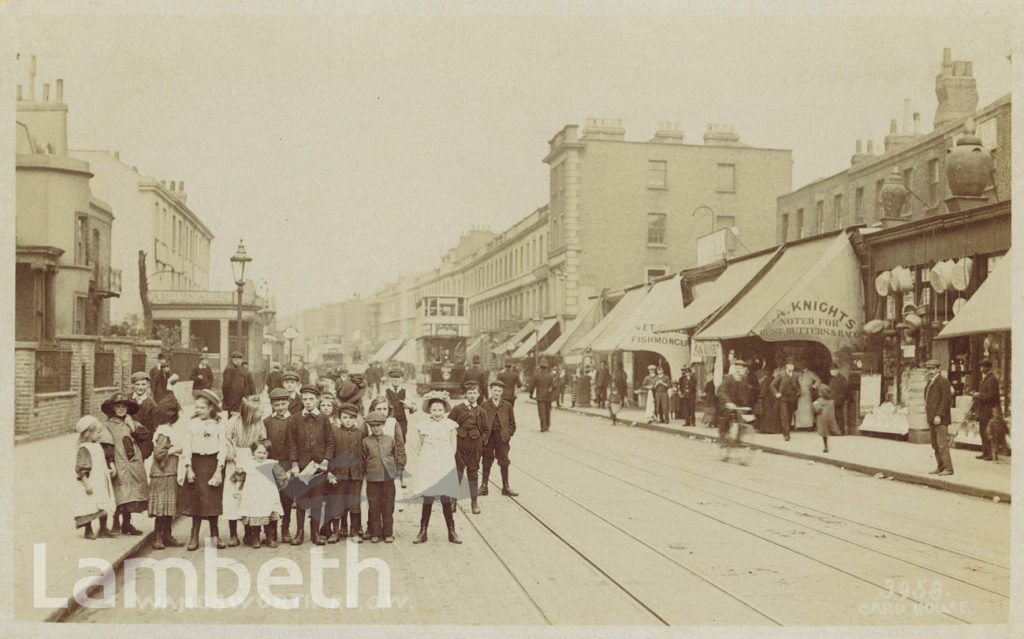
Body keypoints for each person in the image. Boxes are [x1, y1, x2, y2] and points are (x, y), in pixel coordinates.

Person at [411, 392, 462, 544]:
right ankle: (423, 530)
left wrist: (445, 464)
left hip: (444, 463)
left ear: (445, 410)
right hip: (429, 463)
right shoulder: (424, 426)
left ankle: (451, 531)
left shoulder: (450, 426)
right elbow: (420, 446)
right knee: (428, 497)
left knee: (446, 497)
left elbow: (453, 447)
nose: (437, 413)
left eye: (440, 410)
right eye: (434, 410)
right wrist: (428, 461)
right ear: (429, 411)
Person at [180, 389, 227, 551]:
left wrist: (219, 469)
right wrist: (188, 468)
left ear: (211, 408)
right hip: (196, 464)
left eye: (202, 407)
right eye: (197, 407)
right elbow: (186, 447)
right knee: (196, 500)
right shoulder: (192, 424)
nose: (198, 410)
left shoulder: (219, 425)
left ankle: (215, 535)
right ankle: (194, 535)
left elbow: (223, 448)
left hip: (212, 463)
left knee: (213, 500)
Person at [287, 384, 335, 545]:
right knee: (301, 500)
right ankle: (300, 533)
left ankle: (315, 532)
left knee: (316, 500)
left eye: (311, 399)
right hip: (301, 467)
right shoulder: (295, 418)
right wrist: (294, 463)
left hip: (319, 468)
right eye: (305, 399)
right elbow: (292, 443)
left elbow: (330, 442)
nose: (307, 402)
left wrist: (326, 460)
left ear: (317, 399)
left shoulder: (323, 418)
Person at [102, 392, 149, 536]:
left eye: (124, 406)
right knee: (119, 492)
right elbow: (107, 445)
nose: (121, 409)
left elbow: (145, 436)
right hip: (119, 461)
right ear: (113, 408)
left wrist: (133, 428)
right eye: (118, 406)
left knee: (132, 493)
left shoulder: (131, 422)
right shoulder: (108, 425)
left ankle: (127, 524)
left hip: (133, 463)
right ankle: (116, 523)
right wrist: (110, 462)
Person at [223, 397, 267, 547]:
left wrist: (258, 455)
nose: (262, 413)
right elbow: (227, 442)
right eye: (259, 411)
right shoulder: (232, 423)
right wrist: (235, 460)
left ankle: (249, 533)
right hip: (235, 461)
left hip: (252, 459)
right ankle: (233, 534)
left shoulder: (259, 424)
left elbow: (262, 441)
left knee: (250, 496)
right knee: (233, 497)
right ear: (249, 413)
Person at [148, 387, 185, 549]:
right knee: (162, 506)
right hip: (163, 474)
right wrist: (175, 450)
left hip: (169, 473)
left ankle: (167, 535)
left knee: (168, 506)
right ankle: (158, 537)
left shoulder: (167, 429)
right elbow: (159, 453)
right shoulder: (164, 431)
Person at [363, 409, 406, 544]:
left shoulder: (390, 440)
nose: (376, 428)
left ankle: (388, 533)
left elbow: (396, 455)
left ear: (383, 425)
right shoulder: (365, 442)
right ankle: (375, 533)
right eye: (373, 426)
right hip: (372, 479)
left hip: (388, 478)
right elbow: (363, 458)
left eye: (378, 425)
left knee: (388, 506)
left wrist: (398, 470)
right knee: (374, 506)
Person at [235, 439, 288, 549]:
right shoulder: (248, 464)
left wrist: (279, 485)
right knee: (255, 515)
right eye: (259, 452)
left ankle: (270, 538)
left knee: (268, 515)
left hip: (268, 494)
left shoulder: (270, 463)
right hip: (252, 494)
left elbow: (281, 477)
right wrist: (237, 490)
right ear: (253, 452)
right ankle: (255, 538)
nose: (262, 455)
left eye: (265, 453)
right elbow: (239, 478)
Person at [325, 402, 365, 543]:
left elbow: (364, 454)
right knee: (337, 502)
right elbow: (329, 452)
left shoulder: (361, 433)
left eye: (351, 418)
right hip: (338, 475)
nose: (348, 420)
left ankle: (353, 532)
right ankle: (336, 532)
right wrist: (329, 472)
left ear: (356, 419)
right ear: (340, 418)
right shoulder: (334, 432)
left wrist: (363, 472)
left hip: (356, 475)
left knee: (354, 503)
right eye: (345, 417)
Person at [73, 415, 116, 539]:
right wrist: (86, 483)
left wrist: (108, 468)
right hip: (91, 482)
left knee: (103, 503)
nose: (101, 434)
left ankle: (103, 528)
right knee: (89, 505)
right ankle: (88, 529)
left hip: (101, 481)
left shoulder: (97, 446)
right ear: (88, 433)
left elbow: (100, 462)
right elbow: (82, 467)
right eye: (98, 432)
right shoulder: (84, 449)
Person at [264, 387, 297, 543]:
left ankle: (285, 529)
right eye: (277, 405)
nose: (280, 408)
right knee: (271, 498)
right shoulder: (267, 422)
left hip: (287, 464)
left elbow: (295, 445)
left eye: (283, 404)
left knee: (287, 499)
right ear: (272, 405)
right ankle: (271, 531)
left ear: (289, 403)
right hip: (270, 465)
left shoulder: (294, 420)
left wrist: (292, 465)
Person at [448, 381, 487, 514]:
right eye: (469, 393)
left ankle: (474, 502)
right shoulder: (458, 409)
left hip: (475, 446)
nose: (472, 395)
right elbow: (449, 425)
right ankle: (453, 501)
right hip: (460, 445)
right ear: (465, 394)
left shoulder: (481, 411)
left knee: (473, 473)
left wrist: (481, 441)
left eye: (474, 393)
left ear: (478, 394)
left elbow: (486, 430)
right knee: (458, 472)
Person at [481, 380, 518, 496]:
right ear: (490, 391)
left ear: (502, 392)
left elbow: (513, 423)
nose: (496, 393)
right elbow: (480, 423)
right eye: (494, 390)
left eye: (499, 391)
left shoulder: (507, 405)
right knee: (486, 460)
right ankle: (484, 486)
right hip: (488, 438)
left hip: (502, 438)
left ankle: (506, 487)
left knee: (504, 461)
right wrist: (483, 436)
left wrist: (508, 434)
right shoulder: (484, 405)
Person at [715, 359, 753, 456]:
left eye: (741, 368)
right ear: (734, 369)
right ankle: (723, 437)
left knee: (742, 420)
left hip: (738, 405)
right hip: (727, 403)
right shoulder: (728, 378)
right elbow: (722, 391)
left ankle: (739, 438)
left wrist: (746, 405)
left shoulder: (744, 379)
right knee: (726, 419)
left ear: (744, 369)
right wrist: (728, 402)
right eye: (737, 368)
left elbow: (745, 393)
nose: (738, 370)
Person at [924, 359, 954, 476]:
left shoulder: (943, 381)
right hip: (932, 417)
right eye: (928, 369)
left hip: (939, 418)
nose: (930, 371)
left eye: (932, 369)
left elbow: (946, 400)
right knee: (935, 444)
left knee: (942, 444)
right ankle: (940, 466)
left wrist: (939, 415)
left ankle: (948, 468)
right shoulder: (930, 382)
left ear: (938, 369)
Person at [971, 358, 1001, 461]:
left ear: (988, 368)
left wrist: (978, 395)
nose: (981, 369)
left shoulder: (992, 379)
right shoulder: (985, 379)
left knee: (987, 432)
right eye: (981, 366)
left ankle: (989, 454)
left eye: (983, 367)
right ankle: (985, 452)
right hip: (983, 409)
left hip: (988, 410)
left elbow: (993, 396)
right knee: (983, 431)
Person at [128, 371, 157, 459]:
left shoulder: (152, 405)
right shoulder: (126, 399)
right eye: (137, 384)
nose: (140, 387)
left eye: (143, 384)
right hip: (126, 441)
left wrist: (147, 449)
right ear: (133, 385)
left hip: (142, 444)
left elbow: (151, 429)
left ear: (148, 385)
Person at [771, 359, 800, 441]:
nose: (791, 366)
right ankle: (786, 434)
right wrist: (776, 393)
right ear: (786, 366)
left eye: (792, 365)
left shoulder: (795, 375)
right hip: (783, 398)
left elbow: (798, 385)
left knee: (790, 415)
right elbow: (772, 385)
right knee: (784, 416)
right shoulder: (781, 374)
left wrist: (798, 392)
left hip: (792, 398)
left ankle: (787, 432)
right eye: (789, 365)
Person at [385, 368, 416, 444]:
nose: (396, 379)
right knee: (388, 440)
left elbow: (414, 407)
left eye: (398, 377)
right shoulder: (386, 391)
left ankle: (400, 455)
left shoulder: (405, 391)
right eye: (393, 377)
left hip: (401, 421)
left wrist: (410, 406)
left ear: (401, 379)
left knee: (401, 440)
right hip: (388, 420)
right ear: (390, 379)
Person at [528, 357, 556, 432]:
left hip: (540, 396)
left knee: (541, 412)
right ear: (547, 367)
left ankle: (543, 426)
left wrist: (530, 394)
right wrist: (551, 393)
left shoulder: (536, 375)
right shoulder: (550, 376)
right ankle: (547, 425)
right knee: (547, 411)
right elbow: (554, 386)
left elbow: (532, 386)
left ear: (540, 366)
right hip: (548, 396)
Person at [795, 363, 821, 430]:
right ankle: (800, 425)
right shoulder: (798, 373)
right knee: (800, 409)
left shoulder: (810, 373)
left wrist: (813, 387)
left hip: (807, 392)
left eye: (804, 364)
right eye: (801, 364)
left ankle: (809, 425)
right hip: (800, 393)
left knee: (808, 409)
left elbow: (818, 380)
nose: (802, 365)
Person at [221, 350, 247, 417]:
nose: (241, 361)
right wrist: (226, 396)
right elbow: (226, 385)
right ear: (234, 359)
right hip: (232, 399)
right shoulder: (230, 369)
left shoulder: (236, 368)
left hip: (237, 397)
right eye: (240, 359)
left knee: (237, 416)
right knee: (233, 417)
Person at [812, 385, 836, 453]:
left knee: (824, 434)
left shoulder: (819, 400)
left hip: (822, 420)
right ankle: (827, 446)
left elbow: (816, 409)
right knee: (828, 433)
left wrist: (814, 406)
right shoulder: (831, 401)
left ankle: (826, 447)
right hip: (830, 419)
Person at [828, 363, 850, 436]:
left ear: (837, 370)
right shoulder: (832, 379)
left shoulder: (842, 379)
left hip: (838, 400)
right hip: (833, 400)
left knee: (839, 415)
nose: (832, 372)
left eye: (833, 370)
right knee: (834, 416)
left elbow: (846, 390)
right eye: (831, 370)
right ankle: (835, 431)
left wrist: (841, 399)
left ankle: (840, 430)